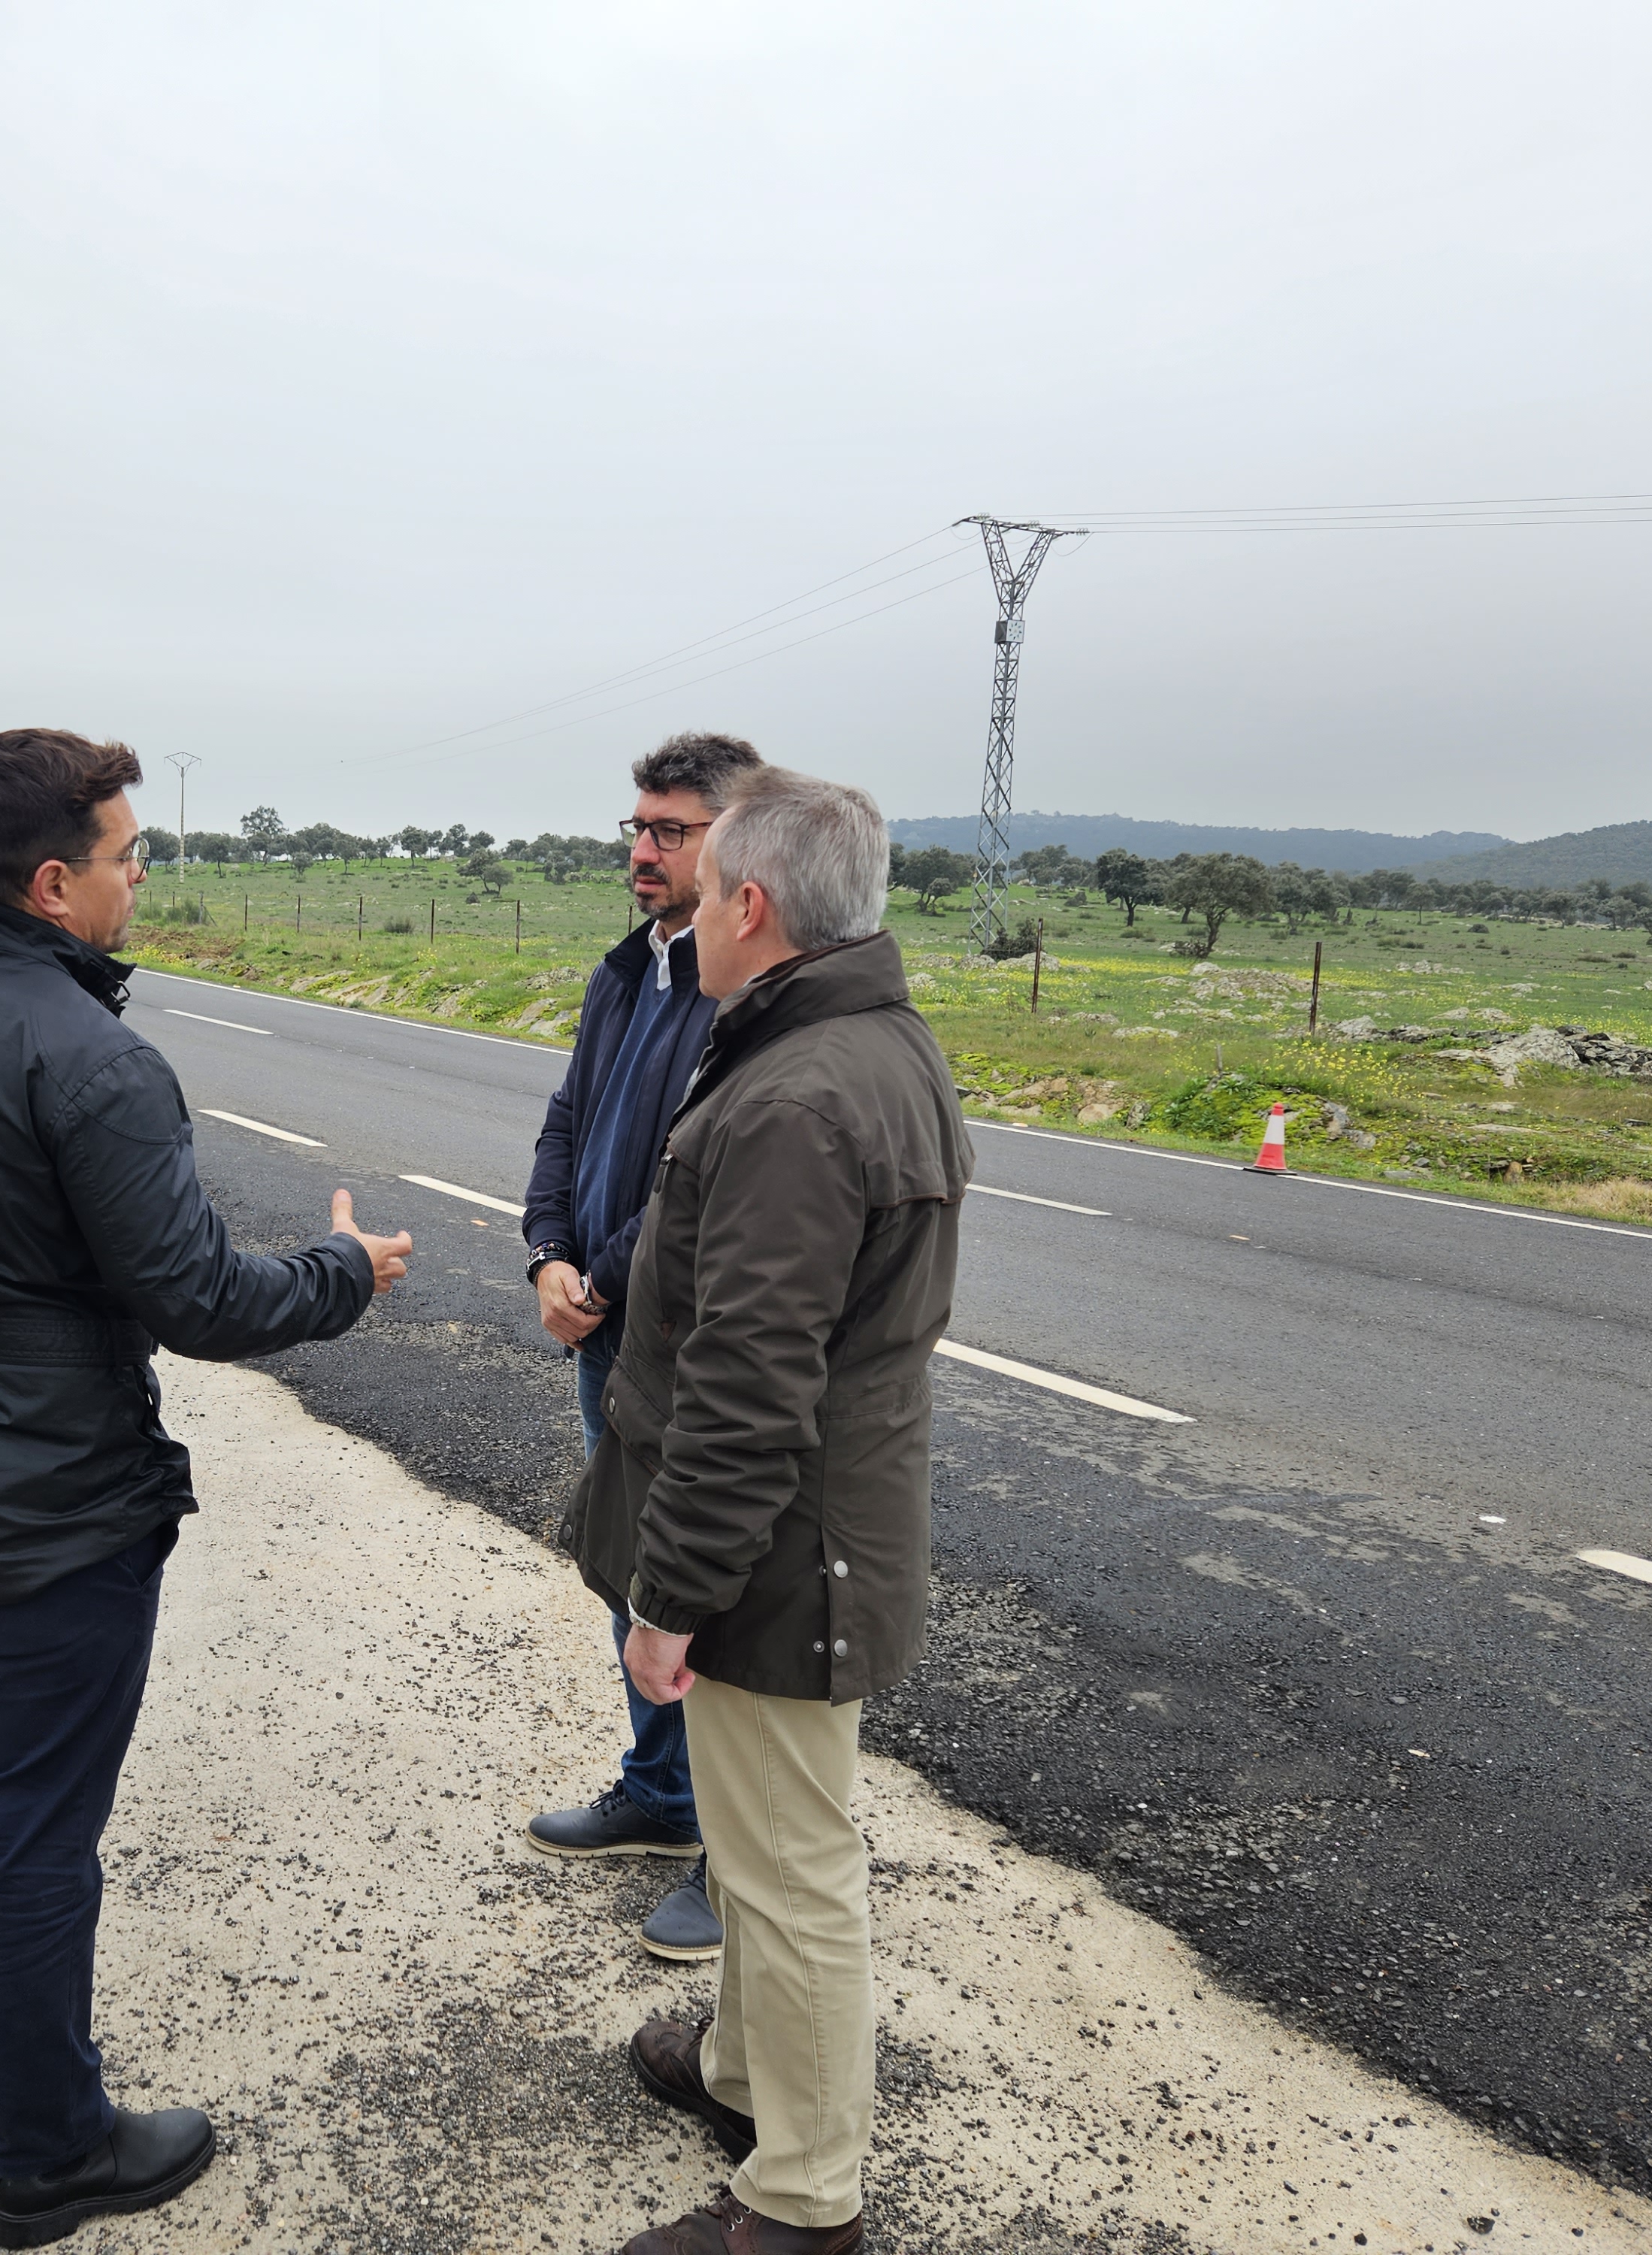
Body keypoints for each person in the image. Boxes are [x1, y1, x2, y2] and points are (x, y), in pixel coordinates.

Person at [0, 728, 413, 2250]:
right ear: (58, 882)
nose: (145, 879)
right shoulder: (96, 1060)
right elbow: (195, 1298)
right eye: (132, 857)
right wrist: (339, 1271)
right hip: (43, 1503)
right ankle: (55, 2152)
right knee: (35, 1827)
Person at [572, 766, 968, 2255]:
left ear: (749, 904)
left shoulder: (797, 1096)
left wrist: (667, 1596)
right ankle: (739, 2069)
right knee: (756, 1842)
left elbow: (747, 1387)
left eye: (703, 874)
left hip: (781, 1553)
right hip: (812, 1531)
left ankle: (802, 2200)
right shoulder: (856, 1045)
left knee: (792, 1876)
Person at [519, 730, 764, 1961]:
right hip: (603, 1325)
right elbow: (570, 1120)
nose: (643, 850)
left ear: (738, 844)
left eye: (673, 832)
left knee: (702, 1591)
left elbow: (688, 1189)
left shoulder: (737, 994)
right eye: (640, 826)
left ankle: (734, 1858)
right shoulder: (630, 970)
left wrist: (595, 1279)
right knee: (628, 1568)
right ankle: (661, 1796)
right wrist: (545, 1254)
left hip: (673, 1334)